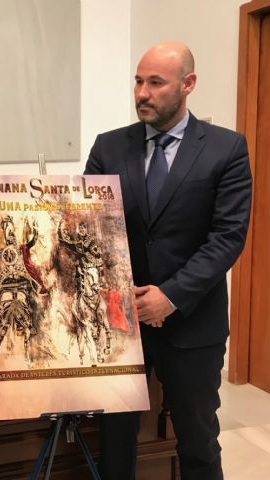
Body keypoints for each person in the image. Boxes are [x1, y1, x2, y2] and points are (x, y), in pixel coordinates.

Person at [84, 41, 252, 479]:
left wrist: (171, 296)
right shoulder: (109, 147)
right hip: (121, 322)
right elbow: (90, 225)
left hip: (193, 324)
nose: (142, 93)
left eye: (155, 82)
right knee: (115, 440)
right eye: (138, 81)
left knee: (197, 440)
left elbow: (227, 237)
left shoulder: (226, 149)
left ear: (188, 84)